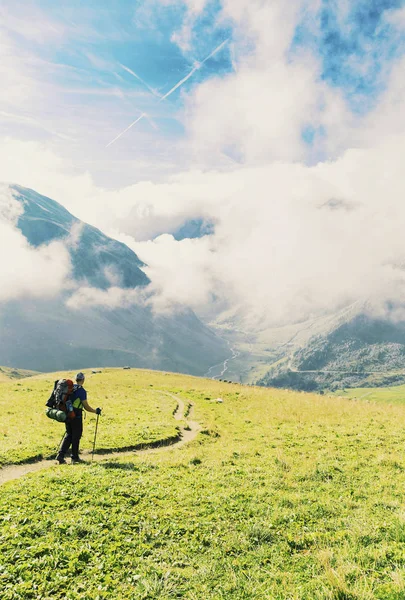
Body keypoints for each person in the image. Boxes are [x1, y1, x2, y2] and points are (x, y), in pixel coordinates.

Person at [56, 372, 101, 464]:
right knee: (76, 436)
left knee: (69, 434)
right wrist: (95, 411)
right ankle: (74, 457)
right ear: (83, 380)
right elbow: (86, 407)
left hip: (67, 413)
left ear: (76, 379)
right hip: (76, 415)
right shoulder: (81, 391)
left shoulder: (70, 388)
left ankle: (60, 456)